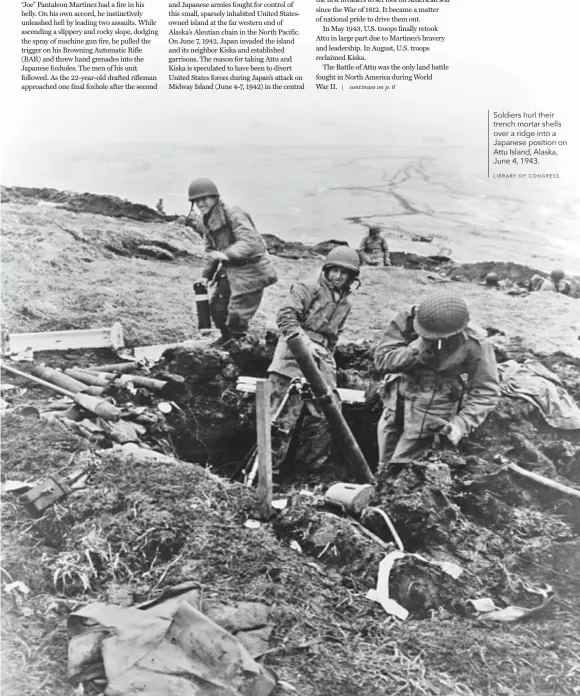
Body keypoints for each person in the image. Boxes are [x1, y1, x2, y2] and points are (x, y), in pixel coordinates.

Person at [374, 290, 500, 469]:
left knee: (399, 472)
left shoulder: (474, 343)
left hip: (431, 415)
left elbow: (487, 391)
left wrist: (462, 423)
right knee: (383, 466)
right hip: (394, 408)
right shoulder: (408, 321)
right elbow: (382, 361)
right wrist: (418, 347)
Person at [267, 246, 361, 473]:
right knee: (281, 417)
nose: (338, 276)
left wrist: (326, 356)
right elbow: (285, 317)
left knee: (326, 414)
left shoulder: (346, 302)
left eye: (344, 272)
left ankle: (307, 474)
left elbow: (334, 335)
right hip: (293, 353)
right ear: (326, 269)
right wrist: (305, 344)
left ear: (351, 277)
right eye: (334, 270)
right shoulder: (307, 287)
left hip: (322, 359)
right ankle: (268, 472)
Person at [188, 177, 278, 343]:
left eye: (204, 199)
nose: (200, 204)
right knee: (217, 309)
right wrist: (206, 276)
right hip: (230, 270)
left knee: (237, 317)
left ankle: (240, 347)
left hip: (252, 270)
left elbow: (250, 241)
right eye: (196, 201)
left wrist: (226, 254)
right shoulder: (206, 220)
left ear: (215, 197)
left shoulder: (234, 213)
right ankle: (226, 340)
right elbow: (211, 251)